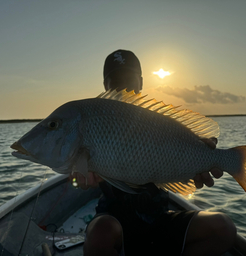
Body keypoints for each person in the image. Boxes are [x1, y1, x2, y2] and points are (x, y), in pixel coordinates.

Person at [72, 50, 237, 256]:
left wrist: (198, 150)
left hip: (159, 219)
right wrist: (80, 179)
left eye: (129, 79)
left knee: (224, 228)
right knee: (100, 234)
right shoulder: (94, 123)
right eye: (116, 80)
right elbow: (77, 179)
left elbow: (186, 149)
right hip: (113, 221)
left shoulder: (159, 121)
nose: (123, 86)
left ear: (140, 82)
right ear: (106, 85)